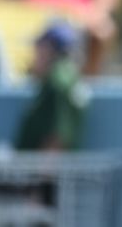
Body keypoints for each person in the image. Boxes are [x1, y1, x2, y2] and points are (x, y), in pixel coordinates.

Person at [14, 20, 88, 151]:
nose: (35, 54)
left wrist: (43, 171)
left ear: (49, 50)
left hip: (36, 169)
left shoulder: (58, 82)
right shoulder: (64, 77)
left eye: (39, 47)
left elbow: (56, 141)